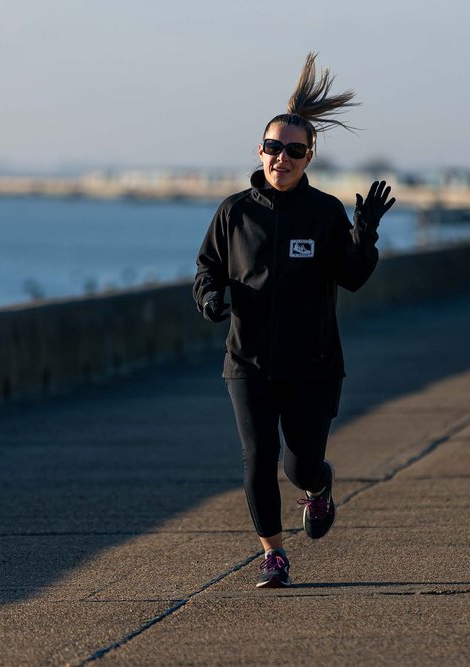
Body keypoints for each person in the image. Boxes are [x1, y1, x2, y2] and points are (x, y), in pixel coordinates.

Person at [194, 53, 394, 589]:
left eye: (294, 151)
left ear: (308, 158)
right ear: (259, 151)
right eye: (273, 148)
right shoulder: (234, 212)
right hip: (249, 360)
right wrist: (212, 298)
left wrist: (363, 237)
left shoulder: (324, 213)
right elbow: (207, 269)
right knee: (257, 459)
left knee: (300, 467)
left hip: (313, 363)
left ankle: (320, 490)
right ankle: (274, 555)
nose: (281, 158)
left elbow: (352, 276)